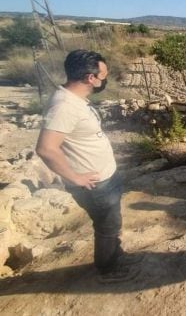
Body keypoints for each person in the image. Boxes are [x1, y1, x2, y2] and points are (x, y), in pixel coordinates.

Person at [36, 50, 142, 283]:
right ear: (89, 78)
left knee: (112, 223)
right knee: (107, 227)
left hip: (105, 178)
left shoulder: (74, 100)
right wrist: (75, 178)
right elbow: (45, 148)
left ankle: (117, 255)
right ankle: (107, 270)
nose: (105, 80)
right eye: (102, 75)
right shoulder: (63, 106)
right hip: (95, 185)